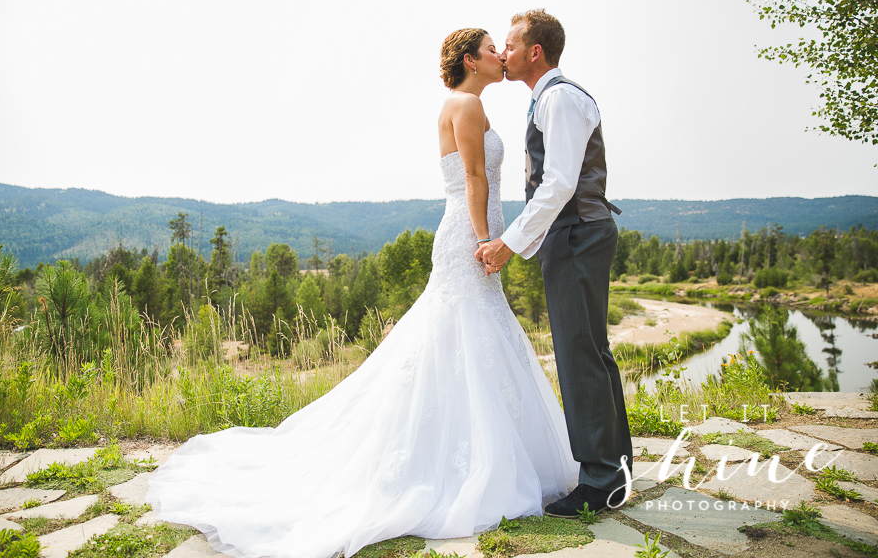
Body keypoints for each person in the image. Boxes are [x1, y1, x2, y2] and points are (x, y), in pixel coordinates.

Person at [145, 28, 579, 558]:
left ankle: (472, 453)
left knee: (471, 337)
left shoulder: (470, 103)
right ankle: (448, 465)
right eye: (492, 48)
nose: (500, 56)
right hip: (469, 233)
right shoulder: (464, 104)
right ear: (471, 59)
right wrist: (489, 238)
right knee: (459, 333)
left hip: (474, 232)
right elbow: (471, 177)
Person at [476, 9, 633, 518]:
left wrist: (510, 242)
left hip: (577, 234)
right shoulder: (550, 98)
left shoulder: (560, 98)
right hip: (574, 234)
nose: (503, 53)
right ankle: (616, 471)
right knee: (590, 351)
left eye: (510, 44)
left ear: (534, 52)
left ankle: (600, 482)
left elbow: (560, 181)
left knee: (579, 355)